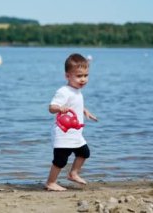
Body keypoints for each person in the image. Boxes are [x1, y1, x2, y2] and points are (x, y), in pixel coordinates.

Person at [45, 53, 98, 191]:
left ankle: (73, 173)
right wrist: (59, 108)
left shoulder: (76, 91)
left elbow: (76, 105)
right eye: (79, 76)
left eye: (86, 75)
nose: (83, 79)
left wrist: (85, 111)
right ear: (67, 76)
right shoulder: (64, 91)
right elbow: (51, 107)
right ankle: (51, 182)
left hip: (75, 133)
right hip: (63, 133)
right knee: (60, 160)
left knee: (84, 153)